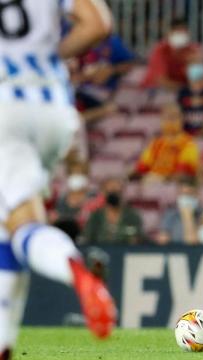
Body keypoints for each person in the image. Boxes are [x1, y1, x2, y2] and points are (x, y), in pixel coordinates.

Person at [0, 0, 116, 354]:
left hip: (5, 104)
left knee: (20, 223)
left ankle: (75, 271)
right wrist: (47, 60)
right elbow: (97, 23)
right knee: (10, 226)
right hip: (55, 107)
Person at [134, 103, 200, 183]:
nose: (170, 121)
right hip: (151, 183)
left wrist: (161, 180)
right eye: (166, 117)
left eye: (174, 117)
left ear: (182, 120)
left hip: (174, 186)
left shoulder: (188, 143)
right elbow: (142, 168)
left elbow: (184, 174)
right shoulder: (155, 143)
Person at [141, 18, 201, 90]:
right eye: (177, 31)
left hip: (182, 90)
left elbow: (199, 81)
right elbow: (161, 81)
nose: (181, 34)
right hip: (155, 90)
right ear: (169, 33)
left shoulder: (192, 50)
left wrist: (196, 65)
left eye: (183, 31)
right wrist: (187, 90)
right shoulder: (160, 50)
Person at [83, 177, 145, 245]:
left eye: (117, 192)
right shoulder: (96, 216)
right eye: (110, 191)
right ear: (103, 192)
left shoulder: (132, 216)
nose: (114, 195)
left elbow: (139, 238)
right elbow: (87, 239)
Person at [156, 177, 203, 245]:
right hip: (176, 251)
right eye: (183, 194)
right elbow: (162, 240)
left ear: (197, 195)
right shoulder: (170, 213)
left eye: (189, 194)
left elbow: (192, 242)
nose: (185, 197)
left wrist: (187, 215)